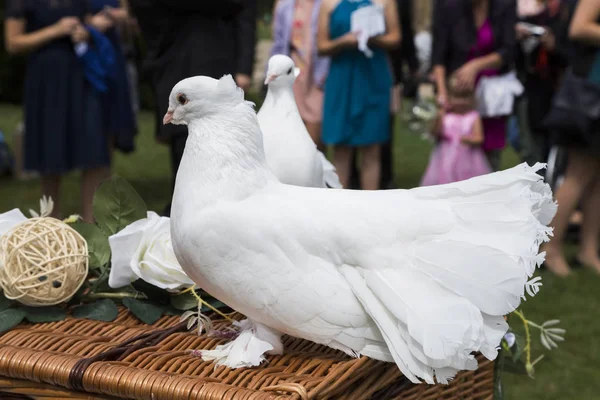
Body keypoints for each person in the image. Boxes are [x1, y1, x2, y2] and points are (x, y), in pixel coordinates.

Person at [128, 0, 257, 216]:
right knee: (181, 144)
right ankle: (184, 209)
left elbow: (245, 13)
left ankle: (222, 208)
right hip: (175, 57)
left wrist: (244, 67)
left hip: (218, 59)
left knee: (224, 145)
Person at [4, 0, 111, 222]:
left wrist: (86, 34)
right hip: (45, 81)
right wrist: (55, 30)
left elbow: (91, 24)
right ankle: (51, 225)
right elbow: (13, 43)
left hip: (80, 78)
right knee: (49, 152)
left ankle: (91, 228)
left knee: (92, 150)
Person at [542, 0, 600, 276]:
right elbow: (579, 27)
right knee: (579, 171)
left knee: (597, 175)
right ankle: (549, 248)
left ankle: (588, 250)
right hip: (590, 94)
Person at [318, 0, 400, 190]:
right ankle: (340, 209)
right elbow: (321, 45)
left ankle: (369, 210)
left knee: (372, 149)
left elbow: (396, 38)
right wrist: (343, 41)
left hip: (373, 76)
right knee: (340, 148)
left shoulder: (385, 2)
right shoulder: (328, 3)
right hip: (342, 78)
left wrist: (372, 38)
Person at [432, 0, 517, 172]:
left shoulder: (504, 5)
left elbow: (508, 50)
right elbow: (438, 57)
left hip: (492, 94)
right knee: (452, 152)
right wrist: (443, 94)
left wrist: (476, 65)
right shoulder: (447, 7)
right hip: (458, 94)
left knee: (488, 158)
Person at [270, 0, 329, 151]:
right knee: (289, 137)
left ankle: (315, 172)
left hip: (319, 77)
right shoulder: (286, 5)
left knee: (314, 144)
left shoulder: (327, 4)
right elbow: (278, 42)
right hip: (292, 77)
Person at [421, 74, 491, 186]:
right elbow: (434, 133)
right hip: (445, 158)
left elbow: (479, 138)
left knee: (469, 185)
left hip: (468, 159)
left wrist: (467, 139)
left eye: (465, 97)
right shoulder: (445, 116)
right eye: (457, 97)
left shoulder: (473, 116)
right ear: (449, 97)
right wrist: (439, 116)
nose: (461, 101)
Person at [89, 0, 138, 153]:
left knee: (111, 112)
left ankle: (105, 166)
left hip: (112, 52)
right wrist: (90, 23)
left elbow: (133, 21)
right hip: (87, 51)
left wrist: (121, 16)